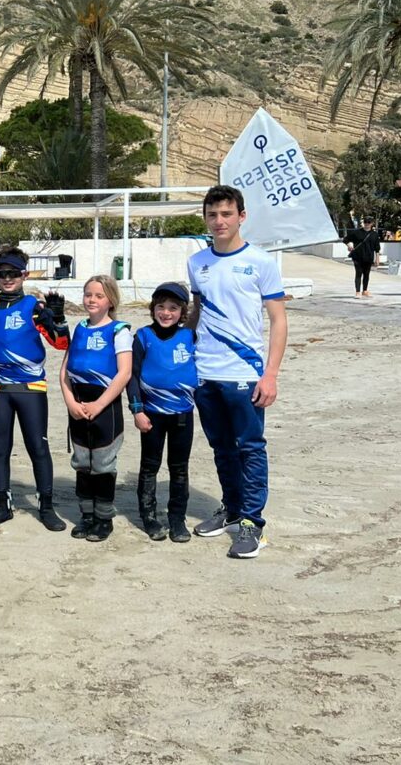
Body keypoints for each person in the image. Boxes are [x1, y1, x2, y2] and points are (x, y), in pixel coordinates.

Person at [187, 185, 288, 560]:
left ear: (241, 216)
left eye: (226, 214)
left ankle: (252, 524)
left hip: (245, 373)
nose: (219, 221)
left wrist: (271, 374)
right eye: (213, 215)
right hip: (205, 374)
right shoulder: (197, 263)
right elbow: (198, 313)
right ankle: (231, 509)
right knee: (221, 448)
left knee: (249, 448)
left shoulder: (261, 262)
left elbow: (278, 321)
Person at [0, 246, 69, 530]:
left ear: (23, 275)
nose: (8, 278)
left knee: (38, 447)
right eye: (2, 274)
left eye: (13, 273)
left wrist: (58, 319)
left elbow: (61, 344)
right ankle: (2, 507)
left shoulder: (34, 307)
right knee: (0, 448)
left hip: (31, 387)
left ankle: (46, 508)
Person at [59, 275, 133, 542]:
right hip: (78, 405)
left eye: (99, 295)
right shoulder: (79, 327)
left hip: (105, 407)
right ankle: (86, 515)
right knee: (81, 463)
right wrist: (70, 402)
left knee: (102, 464)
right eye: (88, 294)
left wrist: (99, 405)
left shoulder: (119, 331)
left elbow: (124, 374)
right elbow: (64, 371)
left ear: (110, 300)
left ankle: (103, 518)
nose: (92, 299)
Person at [126, 282, 197, 544]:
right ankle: (149, 517)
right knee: (149, 467)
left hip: (182, 415)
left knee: (179, 469)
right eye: (161, 307)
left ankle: (177, 519)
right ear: (153, 309)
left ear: (182, 312)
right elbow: (131, 376)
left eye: (173, 308)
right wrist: (137, 410)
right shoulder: (143, 336)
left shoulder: (190, 336)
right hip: (152, 415)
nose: (166, 313)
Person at [343, 217, 381, 298]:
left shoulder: (374, 234)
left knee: (367, 274)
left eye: (369, 222)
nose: (367, 224)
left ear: (372, 223)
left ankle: (365, 290)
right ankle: (357, 292)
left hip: (369, 257)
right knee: (358, 273)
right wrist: (349, 245)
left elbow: (377, 248)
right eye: (365, 222)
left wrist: (377, 258)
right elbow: (345, 239)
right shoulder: (357, 232)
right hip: (358, 256)